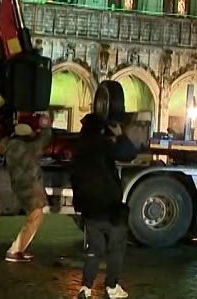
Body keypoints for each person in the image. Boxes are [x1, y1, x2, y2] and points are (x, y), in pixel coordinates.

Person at [70, 113, 140, 299]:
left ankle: (85, 287)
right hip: (109, 208)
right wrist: (119, 135)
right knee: (116, 247)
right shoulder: (103, 144)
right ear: (101, 128)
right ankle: (111, 286)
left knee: (94, 248)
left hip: (89, 207)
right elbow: (129, 154)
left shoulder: (78, 147)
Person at [1, 113, 53, 262]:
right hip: (31, 186)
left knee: (33, 217)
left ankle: (20, 248)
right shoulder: (29, 148)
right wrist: (46, 127)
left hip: (20, 185)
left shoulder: (10, 147)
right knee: (35, 218)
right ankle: (15, 250)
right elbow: (44, 140)